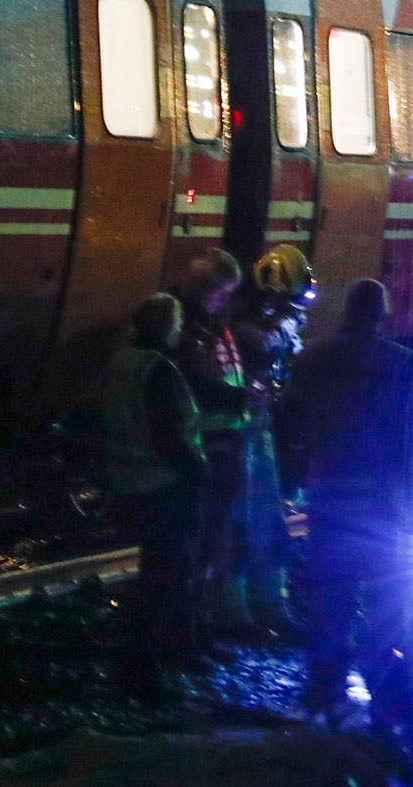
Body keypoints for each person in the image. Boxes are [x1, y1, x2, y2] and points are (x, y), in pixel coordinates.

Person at [285, 278, 413, 726]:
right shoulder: (409, 365)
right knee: (389, 598)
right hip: (386, 504)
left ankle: (324, 686)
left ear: (346, 311)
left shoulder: (310, 361)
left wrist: (290, 480)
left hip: (329, 497)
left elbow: (290, 423)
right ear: (383, 315)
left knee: (331, 596)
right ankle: (387, 688)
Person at [100, 293, 207, 696]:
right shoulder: (160, 369)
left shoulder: (120, 362)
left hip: (129, 484)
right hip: (163, 486)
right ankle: (144, 669)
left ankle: (155, 656)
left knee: (153, 579)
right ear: (168, 327)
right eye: (177, 324)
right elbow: (170, 435)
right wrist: (198, 472)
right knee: (165, 580)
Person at [218, 245, 316, 639]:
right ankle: (231, 613)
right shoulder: (242, 328)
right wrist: (287, 327)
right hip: (237, 435)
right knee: (237, 524)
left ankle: (270, 608)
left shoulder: (262, 320)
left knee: (268, 523)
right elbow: (261, 345)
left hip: (257, 431)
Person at [176, 249, 261, 649]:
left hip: (224, 439)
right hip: (209, 443)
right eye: (221, 293)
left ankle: (200, 622)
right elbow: (195, 384)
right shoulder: (192, 329)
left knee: (212, 539)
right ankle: (190, 628)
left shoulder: (208, 324)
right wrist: (241, 398)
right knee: (201, 542)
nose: (225, 301)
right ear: (205, 289)